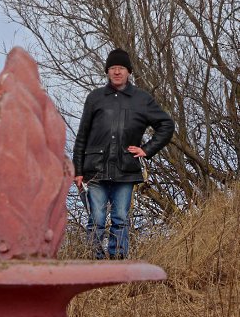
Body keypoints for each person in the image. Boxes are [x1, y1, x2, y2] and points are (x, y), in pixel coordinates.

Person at [73, 48, 175, 260]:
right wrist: (78, 170)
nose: (117, 72)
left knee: (120, 218)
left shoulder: (142, 99)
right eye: (112, 68)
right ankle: (93, 262)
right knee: (96, 219)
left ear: (128, 71)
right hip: (95, 170)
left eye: (121, 68)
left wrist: (147, 149)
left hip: (126, 169)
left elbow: (166, 125)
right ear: (107, 71)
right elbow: (82, 136)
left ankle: (118, 263)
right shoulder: (95, 98)